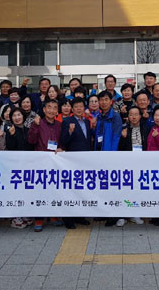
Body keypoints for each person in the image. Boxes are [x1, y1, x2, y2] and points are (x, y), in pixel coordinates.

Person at [27, 99, 63, 231]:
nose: (51, 110)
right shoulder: (37, 123)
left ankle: (53, 215)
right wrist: (35, 126)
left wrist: (61, 148)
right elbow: (31, 141)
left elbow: (62, 141)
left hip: (55, 162)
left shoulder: (59, 125)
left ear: (57, 111)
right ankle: (39, 219)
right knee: (40, 191)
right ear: (44, 109)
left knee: (54, 189)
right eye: (49, 107)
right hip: (40, 162)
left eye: (54, 108)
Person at [59, 97, 93, 229]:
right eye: (76, 107)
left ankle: (80, 216)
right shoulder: (67, 121)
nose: (79, 109)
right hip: (72, 161)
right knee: (71, 190)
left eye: (81, 106)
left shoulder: (87, 121)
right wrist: (70, 131)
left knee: (81, 189)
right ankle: (68, 219)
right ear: (72, 109)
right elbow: (63, 141)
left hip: (85, 160)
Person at [6, 107, 33, 230]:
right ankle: (16, 218)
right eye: (14, 116)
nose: (17, 118)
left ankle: (25, 214)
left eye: (19, 115)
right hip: (16, 166)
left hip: (28, 165)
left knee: (26, 191)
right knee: (16, 192)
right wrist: (11, 135)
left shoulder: (28, 130)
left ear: (23, 116)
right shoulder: (10, 130)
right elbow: (10, 148)